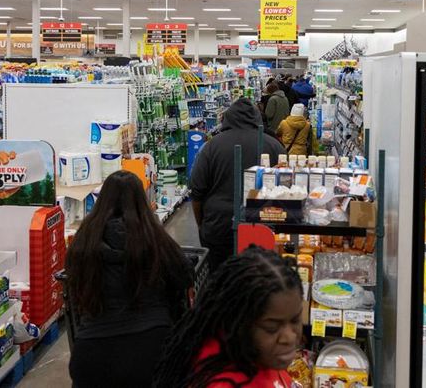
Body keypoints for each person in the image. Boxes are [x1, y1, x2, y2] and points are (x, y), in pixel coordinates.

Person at [66, 170, 193, 388]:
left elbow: (73, 286)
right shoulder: (156, 239)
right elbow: (184, 275)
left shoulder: (83, 242)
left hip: (92, 353)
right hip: (151, 348)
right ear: (142, 201)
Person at [153, 247, 304, 388]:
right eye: (272, 328)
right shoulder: (222, 381)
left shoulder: (256, 353)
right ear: (240, 323)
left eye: (295, 320)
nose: (289, 337)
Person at [190, 99, 284, 270]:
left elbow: (196, 191)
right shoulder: (274, 146)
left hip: (218, 225)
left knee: (220, 276)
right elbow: (286, 189)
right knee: (258, 276)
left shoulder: (210, 146)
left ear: (227, 118)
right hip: (262, 223)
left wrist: (202, 225)